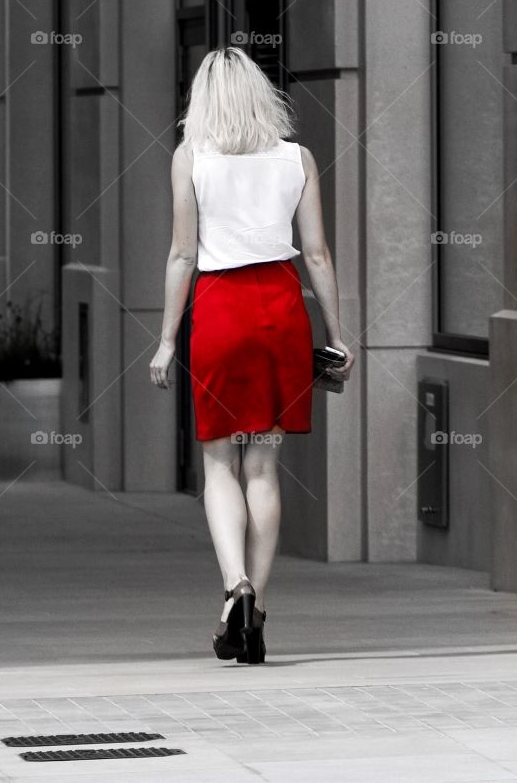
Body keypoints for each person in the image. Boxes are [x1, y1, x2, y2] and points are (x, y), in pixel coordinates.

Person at [148, 46, 354, 664]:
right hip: (280, 309)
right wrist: (338, 335)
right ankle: (255, 610)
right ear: (262, 95)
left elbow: (183, 254)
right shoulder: (297, 158)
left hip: (220, 309)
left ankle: (233, 585)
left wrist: (165, 340)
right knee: (263, 468)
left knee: (218, 465)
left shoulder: (190, 159)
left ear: (203, 99)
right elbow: (316, 254)